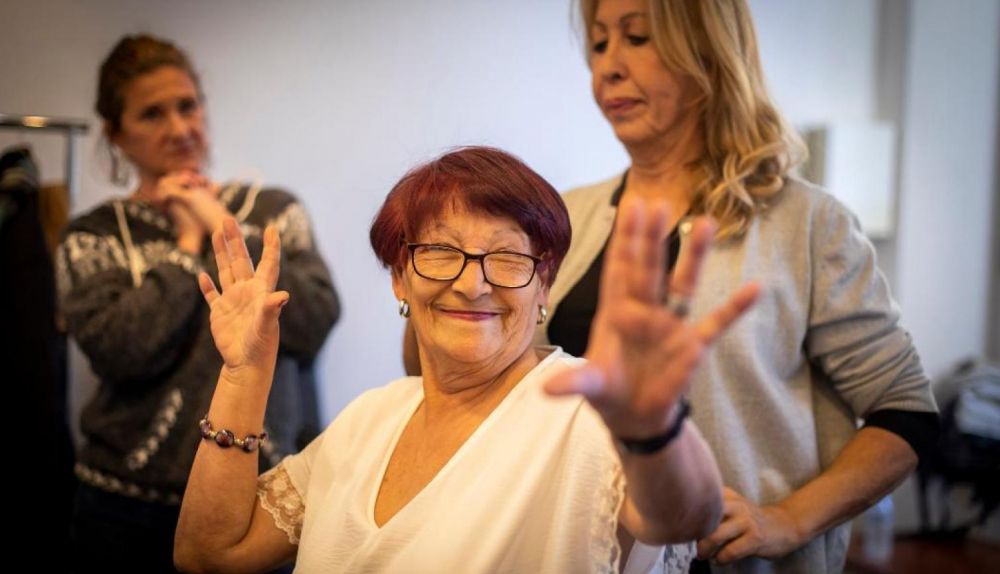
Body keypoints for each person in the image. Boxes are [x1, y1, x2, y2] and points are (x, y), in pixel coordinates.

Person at [174, 146, 760, 573]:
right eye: (440, 251)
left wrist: (655, 430)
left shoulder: (587, 412)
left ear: (545, 284)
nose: (472, 284)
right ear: (400, 278)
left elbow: (683, 518)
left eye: (507, 257)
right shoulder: (367, 420)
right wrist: (244, 374)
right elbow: (211, 552)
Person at [538, 0, 939, 572]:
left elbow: (905, 412)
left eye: (638, 37)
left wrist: (789, 519)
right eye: (599, 44)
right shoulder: (566, 215)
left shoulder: (806, 223)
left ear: (708, 54)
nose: (609, 67)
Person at [56, 34, 339, 570]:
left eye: (187, 106)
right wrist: (186, 249)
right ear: (116, 134)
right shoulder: (93, 235)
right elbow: (120, 350)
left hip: (263, 502)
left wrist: (219, 226)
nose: (180, 127)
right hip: (123, 510)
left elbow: (314, 322)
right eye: (152, 114)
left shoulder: (274, 210)